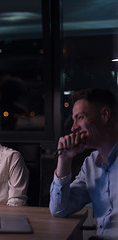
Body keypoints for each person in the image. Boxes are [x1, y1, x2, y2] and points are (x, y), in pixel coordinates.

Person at [49, 88, 118, 239]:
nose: (74, 127)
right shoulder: (91, 164)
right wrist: (64, 160)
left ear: (105, 115)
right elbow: (59, 209)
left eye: (80, 117)